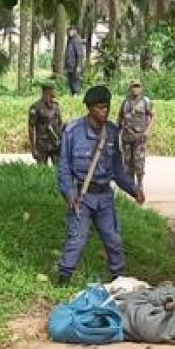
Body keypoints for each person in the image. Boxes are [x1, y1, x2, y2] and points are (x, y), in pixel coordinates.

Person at [56, 85, 146, 285]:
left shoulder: (112, 133)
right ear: (89, 108)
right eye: (99, 108)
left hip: (104, 197)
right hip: (82, 196)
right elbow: (63, 168)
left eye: (106, 107)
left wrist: (134, 190)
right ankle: (63, 278)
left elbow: (117, 169)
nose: (104, 112)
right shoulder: (72, 132)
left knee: (113, 240)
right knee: (77, 240)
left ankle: (118, 280)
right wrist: (70, 194)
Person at [117, 79, 155, 190]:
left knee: (139, 162)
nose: (136, 89)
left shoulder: (146, 102)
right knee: (127, 162)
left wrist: (147, 131)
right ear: (130, 88)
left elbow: (153, 116)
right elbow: (120, 117)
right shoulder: (125, 102)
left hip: (140, 137)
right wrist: (116, 131)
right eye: (134, 86)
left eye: (138, 86)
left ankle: (139, 183)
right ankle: (130, 185)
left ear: (141, 88)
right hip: (127, 136)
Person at [28, 80, 63, 165]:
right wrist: (33, 148)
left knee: (58, 169)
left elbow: (60, 124)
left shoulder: (56, 106)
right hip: (42, 144)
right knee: (42, 170)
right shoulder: (36, 107)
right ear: (48, 90)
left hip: (55, 144)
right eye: (54, 89)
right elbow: (31, 127)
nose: (55, 92)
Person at [64, 26, 84, 96]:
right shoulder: (70, 40)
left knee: (76, 83)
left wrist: (78, 66)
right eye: (68, 31)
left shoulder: (77, 40)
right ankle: (73, 96)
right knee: (71, 84)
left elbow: (79, 54)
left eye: (71, 31)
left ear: (75, 31)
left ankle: (77, 96)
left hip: (75, 67)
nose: (69, 32)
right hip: (69, 67)